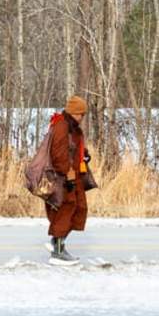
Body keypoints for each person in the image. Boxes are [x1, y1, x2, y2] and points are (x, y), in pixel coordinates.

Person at [45, 95, 92, 266]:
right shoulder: (61, 127)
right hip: (63, 178)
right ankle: (57, 252)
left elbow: (72, 147)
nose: (82, 117)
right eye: (81, 114)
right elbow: (58, 155)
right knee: (65, 211)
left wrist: (84, 154)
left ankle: (57, 243)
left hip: (74, 175)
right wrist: (68, 175)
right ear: (74, 112)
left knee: (79, 209)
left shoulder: (71, 127)